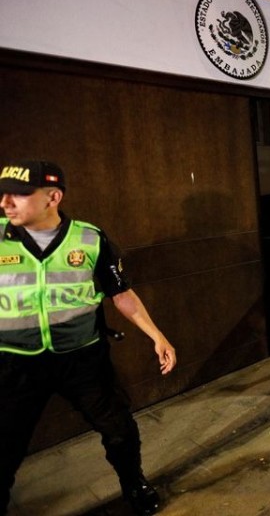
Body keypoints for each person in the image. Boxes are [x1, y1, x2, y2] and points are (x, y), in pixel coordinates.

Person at [0, 160, 177, 516]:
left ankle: (135, 486)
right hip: (15, 363)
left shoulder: (90, 238)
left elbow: (120, 293)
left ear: (53, 197)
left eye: (17, 195)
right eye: (3, 194)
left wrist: (157, 336)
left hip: (82, 359)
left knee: (120, 430)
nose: (5, 203)